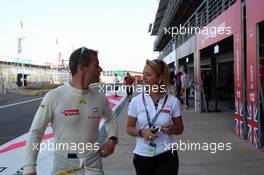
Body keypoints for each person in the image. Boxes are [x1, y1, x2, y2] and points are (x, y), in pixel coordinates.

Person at [23, 47, 118, 175]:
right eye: (96, 65)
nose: (100, 69)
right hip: (64, 167)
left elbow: (111, 118)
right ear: (82, 68)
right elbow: (36, 132)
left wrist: (112, 139)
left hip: (94, 166)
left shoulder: (100, 98)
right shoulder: (54, 96)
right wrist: (29, 168)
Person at [127, 59, 184, 175]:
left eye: (148, 75)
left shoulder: (173, 101)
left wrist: (172, 129)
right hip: (142, 155)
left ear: (160, 78)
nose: (143, 78)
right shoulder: (136, 101)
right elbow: (129, 128)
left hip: (167, 154)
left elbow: (180, 129)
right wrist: (141, 132)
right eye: (143, 74)